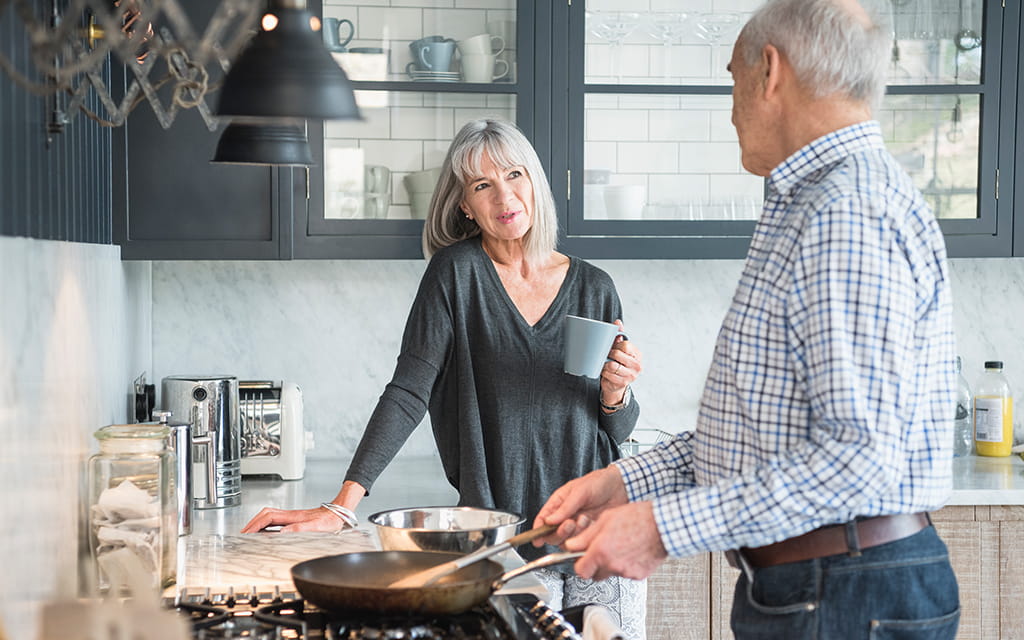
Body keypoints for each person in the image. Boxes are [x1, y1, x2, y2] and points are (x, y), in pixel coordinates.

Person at [532, 1, 961, 638]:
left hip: (843, 594)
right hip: (818, 587)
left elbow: (857, 458)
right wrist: (625, 480)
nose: (730, 105)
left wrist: (659, 530)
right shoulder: (815, 202)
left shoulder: (845, 211)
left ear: (770, 72)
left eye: (731, 78)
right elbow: (764, 436)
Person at [242, 117, 648, 638]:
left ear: (535, 181)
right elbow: (410, 391)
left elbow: (614, 429)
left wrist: (618, 393)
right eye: (483, 185)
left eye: (515, 175)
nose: (506, 195)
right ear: (464, 203)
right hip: (502, 545)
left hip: (599, 531)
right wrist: (341, 507)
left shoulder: (596, 286)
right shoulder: (456, 276)